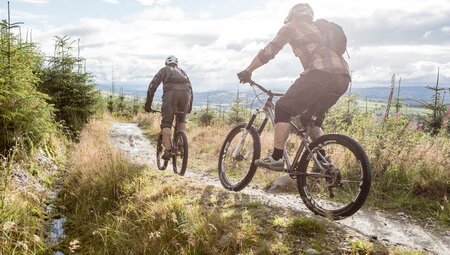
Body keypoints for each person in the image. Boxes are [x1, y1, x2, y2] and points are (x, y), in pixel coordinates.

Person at [237, 3, 351, 171]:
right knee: (309, 118)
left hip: (320, 72)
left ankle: (276, 158)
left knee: (283, 106)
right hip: (343, 77)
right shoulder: (319, 29)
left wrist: (248, 70)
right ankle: (323, 162)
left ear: (292, 15)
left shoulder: (292, 26)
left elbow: (269, 51)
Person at [145, 55, 193, 160]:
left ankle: (168, 150)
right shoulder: (183, 72)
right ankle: (181, 146)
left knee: (166, 123)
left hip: (170, 95)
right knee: (181, 121)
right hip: (186, 95)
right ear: (177, 64)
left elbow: (152, 86)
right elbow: (191, 89)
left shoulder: (164, 70)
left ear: (166, 63)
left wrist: (148, 105)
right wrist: (189, 107)